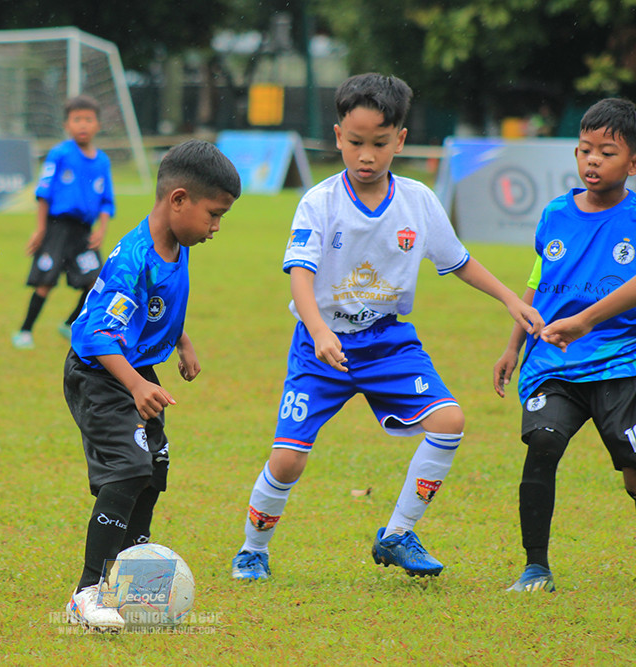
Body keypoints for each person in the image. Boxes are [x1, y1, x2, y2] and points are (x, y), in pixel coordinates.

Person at [230, 73, 544, 582]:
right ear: (338, 137)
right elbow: (300, 275)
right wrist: (320, 330)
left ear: (400, 139)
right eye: (355, 142)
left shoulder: (418, 200)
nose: (366, 156)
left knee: (449, 421)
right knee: (287, 461)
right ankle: (252, 550)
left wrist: (510, 299)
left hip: (387, 343)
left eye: (379, 143)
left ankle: (397, 534)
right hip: (320, 348)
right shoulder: (319, 202)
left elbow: (459, 261)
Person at [63, 139, 240, 631]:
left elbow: (158, 306)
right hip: (101, 374)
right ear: (178, 200)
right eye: (214, 214)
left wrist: (182, 341)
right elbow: (96, 334)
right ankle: (86, 593)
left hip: (134, 369)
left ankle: (129, 573)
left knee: (154, 467)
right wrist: (137, 386)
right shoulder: (133, 259)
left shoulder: (177, 243)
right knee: (128, 469)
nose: (216, 227)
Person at [493, 97, 636, 593]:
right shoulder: (555, 213)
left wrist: (584, 321)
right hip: (553, 362)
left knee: (632, 465)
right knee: (544, 442)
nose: (593, 160)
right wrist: (513, 345)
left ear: (632, 163)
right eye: (585, 150)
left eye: (607, 153)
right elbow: (538, 280)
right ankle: (536, 567)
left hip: (621, 360)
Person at [12, 94, 114, 350]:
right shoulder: (60, 154)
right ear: (66, 125)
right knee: (45, 282)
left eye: (88, 119)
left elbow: (106, 200)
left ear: (98, 125)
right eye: (76, 119)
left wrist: (101, 230)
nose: (83, 125)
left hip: (83, 232)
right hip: (57, 228)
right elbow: (43, 192)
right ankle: (25, 331)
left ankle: (69, 324)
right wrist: (40, 229)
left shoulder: (102, 161)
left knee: (96, 282)